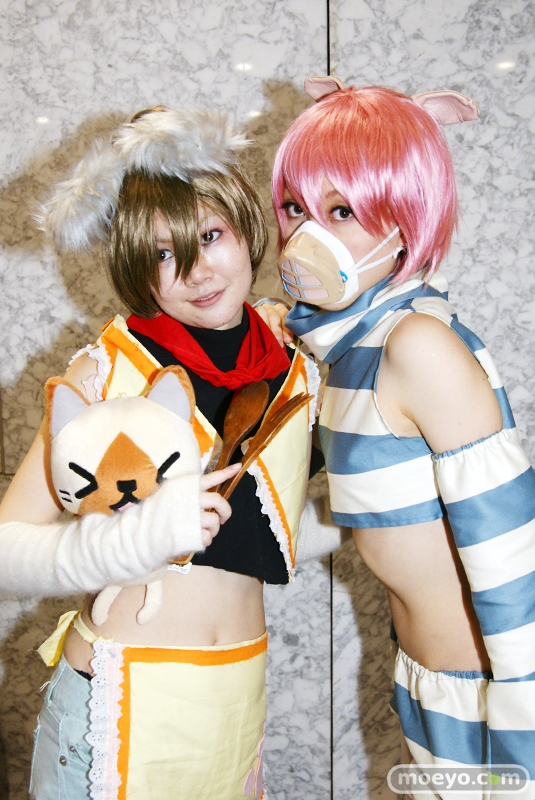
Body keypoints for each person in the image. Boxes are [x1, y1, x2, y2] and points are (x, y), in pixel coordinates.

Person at [0, 107, 317, 799]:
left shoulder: (294, 364)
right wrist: (133, 541)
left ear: (244, 226)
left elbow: (278, 521)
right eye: (165, 255)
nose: (198, 272)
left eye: (209, 236)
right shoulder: (110, 371)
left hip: (234, 699)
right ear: (139, 271)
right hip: (119, 697)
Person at [268, 76, 535, 793]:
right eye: (295, 208)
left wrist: (522, 728)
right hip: (427, 678)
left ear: (406, 219)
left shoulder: (416, 344)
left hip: (484, 696)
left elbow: (512, 546)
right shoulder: (352, 347)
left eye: (342, 211)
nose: (306, 238)